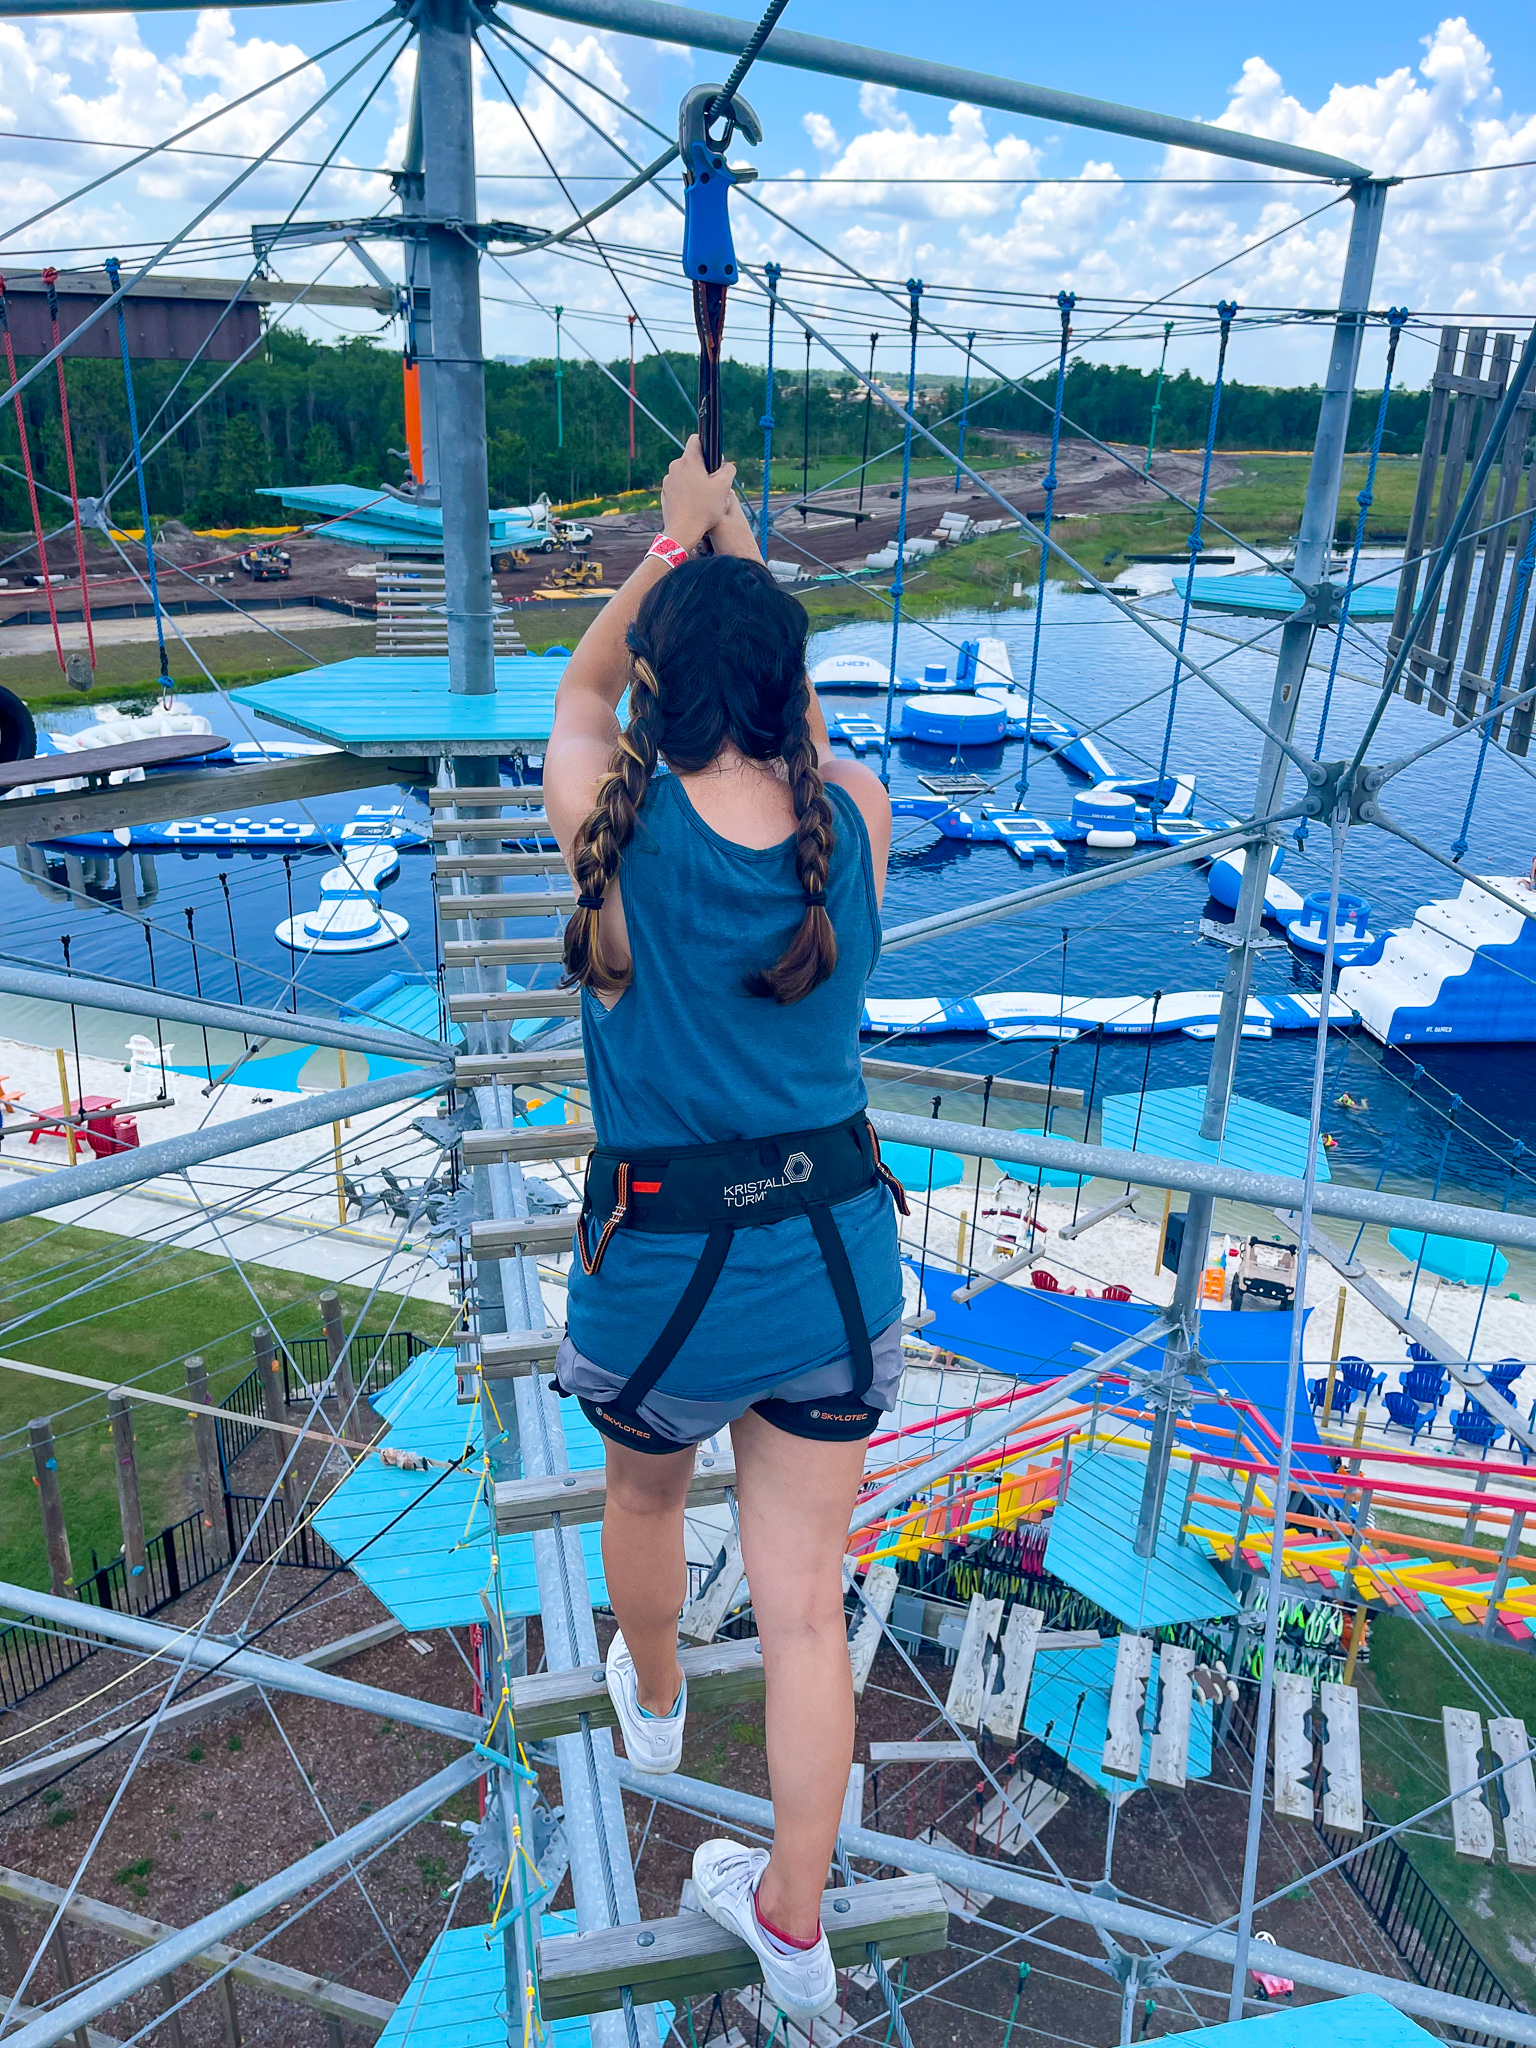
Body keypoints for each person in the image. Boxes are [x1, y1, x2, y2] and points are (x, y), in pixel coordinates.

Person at [542, 437, 902, 2022]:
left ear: (669, 689)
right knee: (810, 1607)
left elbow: (576, 688)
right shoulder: (855, 821)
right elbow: (800, 740)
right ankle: (795, 1922)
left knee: (639, 1494)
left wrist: (673, 553)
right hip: (834, 1272)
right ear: (789, 687)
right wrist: (732, 549)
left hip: (666, 1287)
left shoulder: (618, 843)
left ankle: (661, 1697)